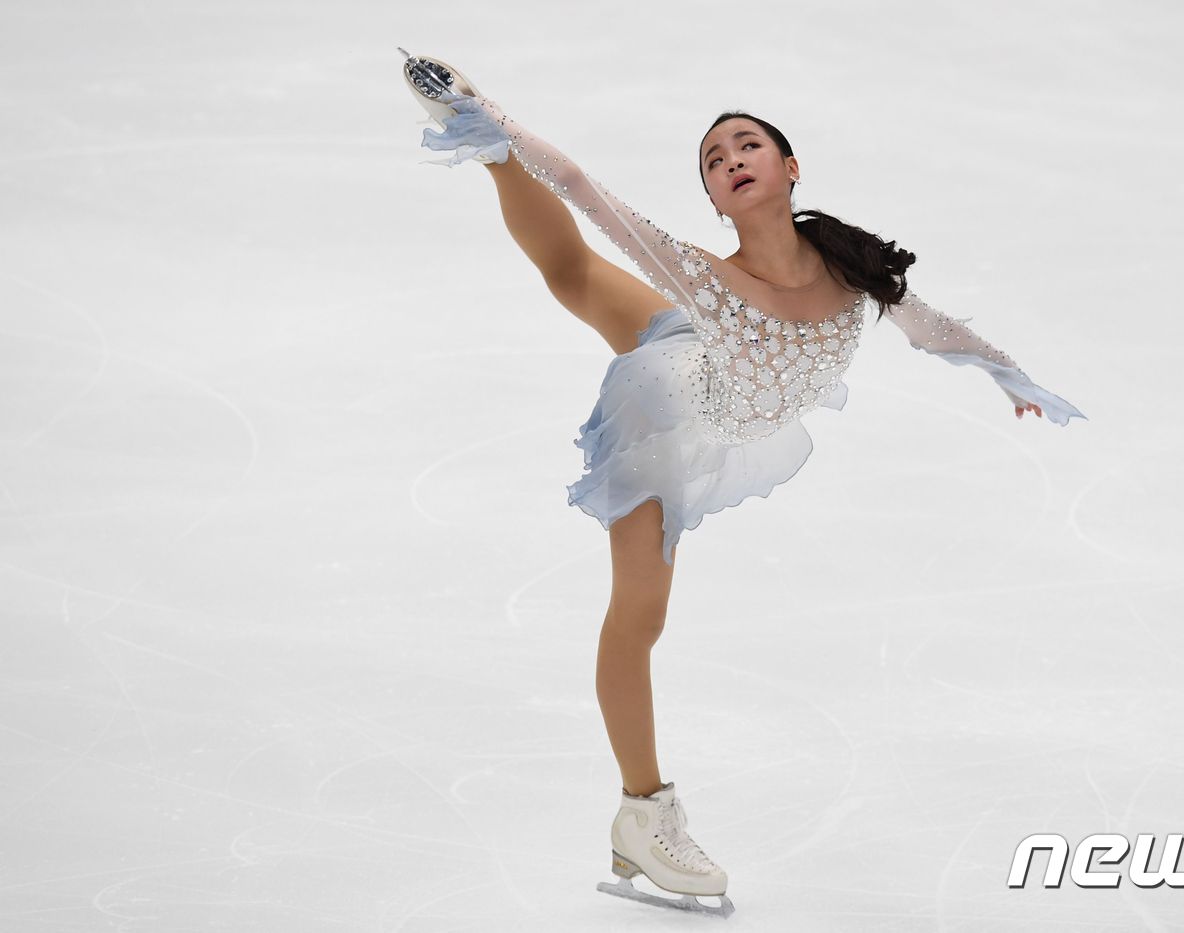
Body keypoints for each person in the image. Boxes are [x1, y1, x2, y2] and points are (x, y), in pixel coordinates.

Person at [401, 50, 1084, 918]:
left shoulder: (852, 269)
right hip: (663, 406)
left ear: (790, 168)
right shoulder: (701, 272)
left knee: (581, 283)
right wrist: (488, 111)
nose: (731, 159)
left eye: (747, 144)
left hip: (706, 358)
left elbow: (930, 326)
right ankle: (644, 812)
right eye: (714, 160)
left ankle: (487, 146)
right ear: (716, 202)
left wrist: (1009, 374)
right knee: (641, 610)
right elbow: (577, 184)